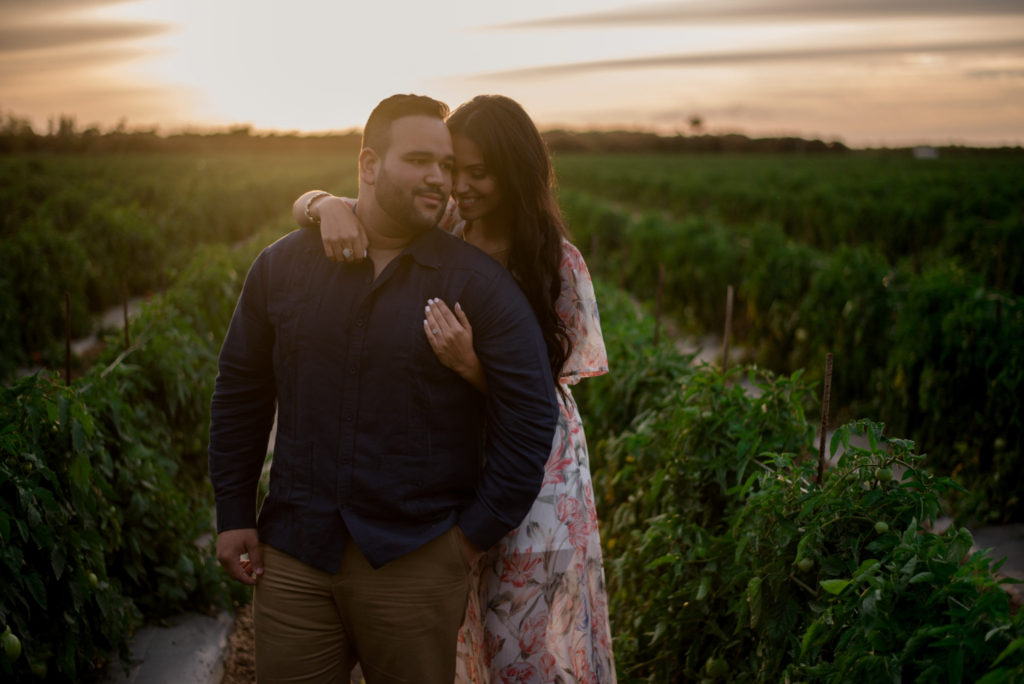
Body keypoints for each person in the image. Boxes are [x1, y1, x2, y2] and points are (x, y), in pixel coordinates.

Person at [209, 94, 558, 684]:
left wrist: (469, 539)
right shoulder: (283, 267)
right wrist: (234, 509)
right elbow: (242, 389)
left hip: (415, 560)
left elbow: (530, 413)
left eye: (447, 165)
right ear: (369, 165)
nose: (440, 178)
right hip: (296, 551)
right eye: (420, 159)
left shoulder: (480, 284)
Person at [293, 95, 616, 683]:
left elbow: (544, 394)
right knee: (456, 624)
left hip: (535, 465)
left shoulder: (553, 262)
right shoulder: (441, 231)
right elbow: (348, 210)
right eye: (452, 169)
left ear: (514, 172)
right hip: (451, 454)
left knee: (524, 631)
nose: (458, 186)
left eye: (478, 173)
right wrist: (322, 204)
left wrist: (472, 366)